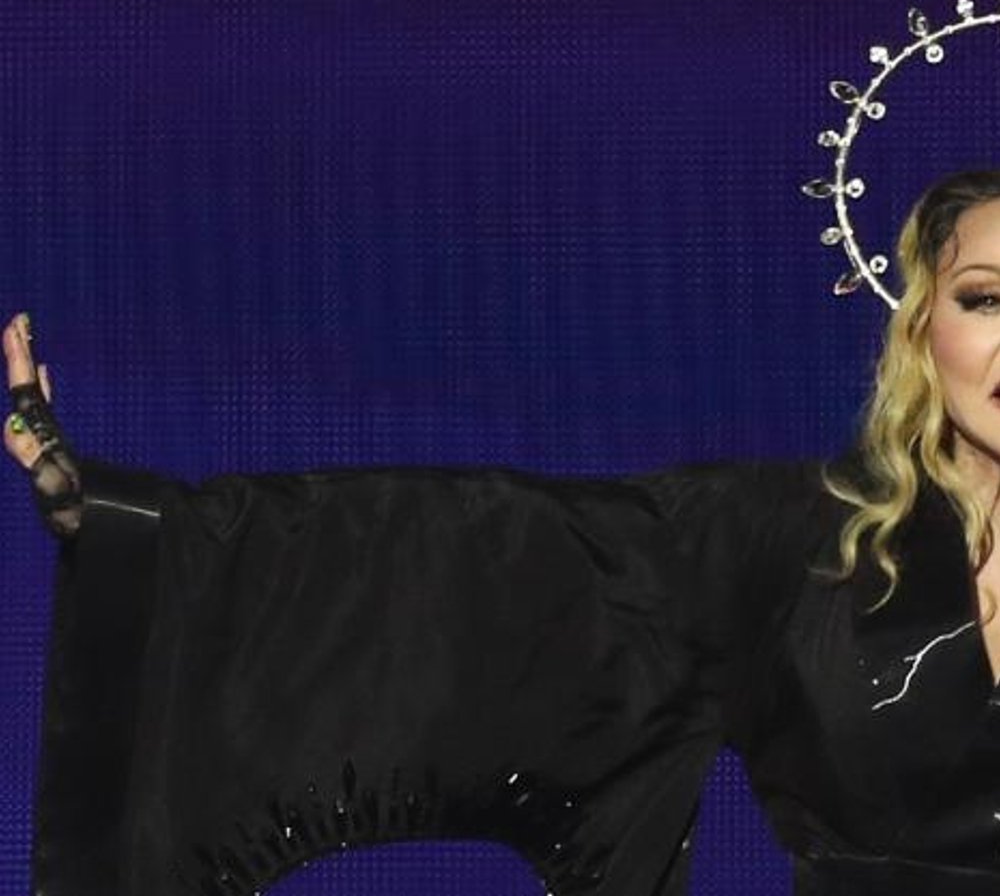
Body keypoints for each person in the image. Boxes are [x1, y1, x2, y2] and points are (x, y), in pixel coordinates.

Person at [8, 168, 1000, 896]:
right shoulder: (798, 541)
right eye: (986, 298)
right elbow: (488, 549)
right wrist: (131, 522)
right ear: (921, 325)